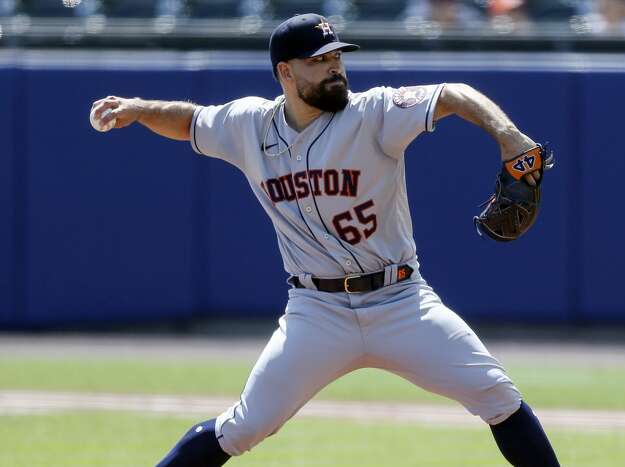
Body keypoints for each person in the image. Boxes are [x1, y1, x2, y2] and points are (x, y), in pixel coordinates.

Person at [90, 13, 560, 467]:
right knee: (242, 429)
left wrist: (508, 135)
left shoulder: (373, 113)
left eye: (337, 56)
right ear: (285, 72)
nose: (334, 66)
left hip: (401, 302)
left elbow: (452, 95)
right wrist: (138, 109)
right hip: (317, 313)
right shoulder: (249, 124)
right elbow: (190, 121)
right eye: (319, 60)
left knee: (498, 397)